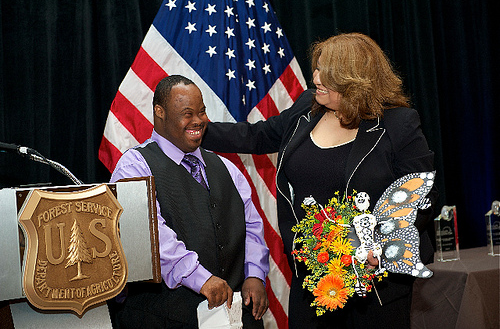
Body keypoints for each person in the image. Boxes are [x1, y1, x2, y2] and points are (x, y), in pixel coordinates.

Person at [202, 33, 437, 328]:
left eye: (327, 72)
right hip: (312, 279)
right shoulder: (307, 107)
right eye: (316, 68)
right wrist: (199, 130)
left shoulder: (398, 124)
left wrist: (380, 245)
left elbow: (420, 197)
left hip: (374, 284)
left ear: (355, 80)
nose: (315, 77)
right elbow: (257, 135)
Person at [108, 75, 269, 328]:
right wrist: (199, 277)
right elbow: (150, 235)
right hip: (165, 318)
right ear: (159, 112)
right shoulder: (134, 166)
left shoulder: (226, 167)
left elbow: (251, 226)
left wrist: (255, 274)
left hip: (235, 318)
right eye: (187, 113)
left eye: (202, 112)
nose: (198, 121)